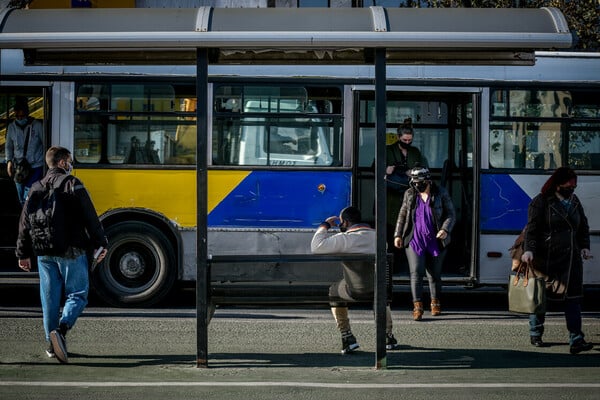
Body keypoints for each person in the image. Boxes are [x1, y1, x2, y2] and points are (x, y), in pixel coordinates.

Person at [16, 146, 108, 363]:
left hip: (43, 252)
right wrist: (101, 243)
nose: (71, 164)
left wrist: (23, 252)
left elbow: (24, 222)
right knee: (78, 294)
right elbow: (90, 217)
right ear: (61, 163)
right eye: (69, 160)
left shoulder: (35, 187)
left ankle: (51, 345)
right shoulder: (72, 184)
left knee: (49, 300)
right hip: (71, 250)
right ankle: (62, 331)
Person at [521, 167, 593, 354]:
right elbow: (532, 229)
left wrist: (585, 246)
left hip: (571, 259)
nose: (572, 190)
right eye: (569, 186)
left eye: (574, 187)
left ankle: (576, 339)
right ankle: (535, 333)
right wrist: (529, 250)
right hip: (547, 258)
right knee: (540, 298)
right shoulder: (541, 202)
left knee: (573, 299)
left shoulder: (574, 201)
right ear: (558, 184)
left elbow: (582, 226)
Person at [311, 206, 400, 354]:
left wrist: (325, 225)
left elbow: (316, 247)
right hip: (377, 289)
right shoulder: (378, 238)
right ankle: (387, 336)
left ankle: (347, 336)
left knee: (334, 290)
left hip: (354, 290)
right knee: (380, 294)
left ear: (345, 223)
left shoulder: (344, 239)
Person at [393, 166, 456, 321]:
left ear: (428, 180)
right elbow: (402, 214)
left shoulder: (440, 192)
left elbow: (451, 214)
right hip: (415, 239)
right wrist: (398, 234)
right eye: (414, 182)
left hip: (436, 239)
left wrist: (445, 229)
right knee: (416, 272)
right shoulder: (410, 194)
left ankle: (435, 303)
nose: (417, 185)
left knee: (434, 275)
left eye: (420, 182)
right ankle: (417, 306)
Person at [385, 118, 426, 273]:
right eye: (404, 140)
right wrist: (386, 170)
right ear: (398, 138)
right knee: (391, 228)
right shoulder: (388, 150)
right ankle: (392, 262)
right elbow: (374, 168)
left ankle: (406, 262)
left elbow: (423, 169)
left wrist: (413, 173)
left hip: (410, 195)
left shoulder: (415, 152)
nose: (407, 142)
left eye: (410, 140)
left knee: (409, 227)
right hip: (391, 196)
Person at [5, 101, 45, 205]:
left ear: (27, 114)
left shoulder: (37, 126)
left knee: (28, 194)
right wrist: (9, 161)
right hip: (19, 167)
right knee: (21, 197)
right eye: (17, 116)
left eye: (22, 116)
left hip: (36, 165)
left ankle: (29, 217)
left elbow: (45, 144)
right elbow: (9, 146)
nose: (20, 119)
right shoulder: (11, 127)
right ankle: (26, 216)